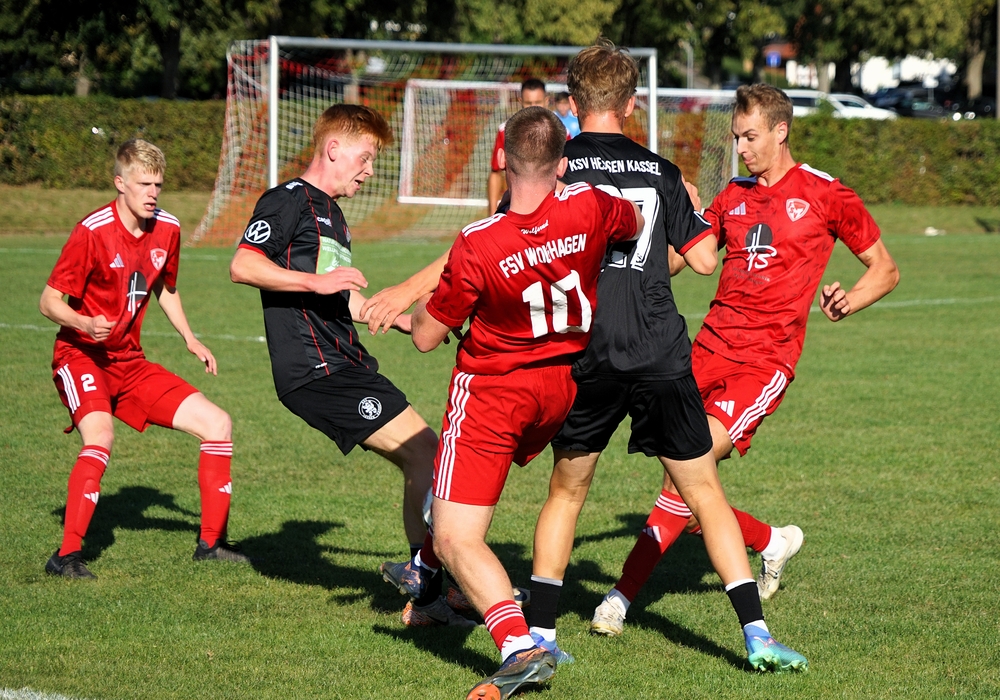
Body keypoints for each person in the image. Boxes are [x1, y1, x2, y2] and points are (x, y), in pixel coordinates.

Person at [528, 40, 809, 673]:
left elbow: (516, 242)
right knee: (703, 490)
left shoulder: (553, 169)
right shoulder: (658, 170)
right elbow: (705, 259)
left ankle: (539, 636)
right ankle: (757, 636)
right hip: (658, 349)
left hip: (588, 349)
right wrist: (680, 211)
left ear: (572, 102)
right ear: (632, 104)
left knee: (567, 492)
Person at [589, 83, 900, 631]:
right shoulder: (733, 195)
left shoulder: (826, 193)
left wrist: (849, 299)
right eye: (736, 137)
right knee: (689, 480)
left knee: (689, 469)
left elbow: (885, 269)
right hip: (704, 351)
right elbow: (687, 257)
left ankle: (620, 598)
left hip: (764, 363)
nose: (741, 148)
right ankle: (771, 540)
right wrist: (638, 258)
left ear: (781, 131)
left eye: (750, 137)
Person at [411, 106, 643, 700]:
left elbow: (427, 336)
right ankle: (434, 584)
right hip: (561, 388)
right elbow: (633, 221)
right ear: (561, 163)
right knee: (469, 504)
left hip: (494, 392)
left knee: (456, 535)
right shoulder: (589, 204)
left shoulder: (479, 241)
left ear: (505, 164)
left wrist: (401, 309)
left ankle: (519, 646)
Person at [228, 105, 469, 627]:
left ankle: (429, 595)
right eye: (365, 157)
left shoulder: (333, 215)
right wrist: (314, 282)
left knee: (425, 455)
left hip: (344, 361)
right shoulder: (288, 199)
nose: (369, 171)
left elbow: (339, 296)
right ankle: (432, 580)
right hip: (316, 370)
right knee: (426, 452)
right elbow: (243, 265)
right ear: (333, 148)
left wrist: (397, 318)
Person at [41, 139, 244, 579]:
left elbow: (165, 287)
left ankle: (211, 545)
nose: (152, 193)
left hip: (130, 362)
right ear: (120, 183)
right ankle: (66, 556)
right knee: (100, 436)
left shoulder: (167, 228)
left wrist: (190, 338)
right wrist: (82, 321)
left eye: (158, 185)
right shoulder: (91, 230)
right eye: (143, 184)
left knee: (218, 423)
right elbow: (48, 302)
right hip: (81, 356)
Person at [487, 78, 548, 214]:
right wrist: (492, 213)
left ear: (546, 101)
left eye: (538, 102)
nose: (533, 107)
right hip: (516, 208)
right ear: (520, 102)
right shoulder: (506, 131)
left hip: (549, 207)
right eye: (528, 103)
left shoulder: (560, 132)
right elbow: (495, 173)